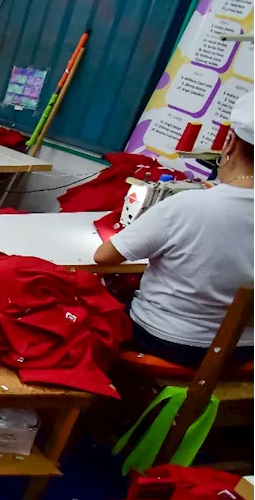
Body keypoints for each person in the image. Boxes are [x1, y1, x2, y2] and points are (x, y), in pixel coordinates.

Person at [92, 92, 255, 368]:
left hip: (168, 341)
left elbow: (104, 257)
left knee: (98, 305)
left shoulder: (190, 204)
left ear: (229, 144)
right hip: (243, 350)